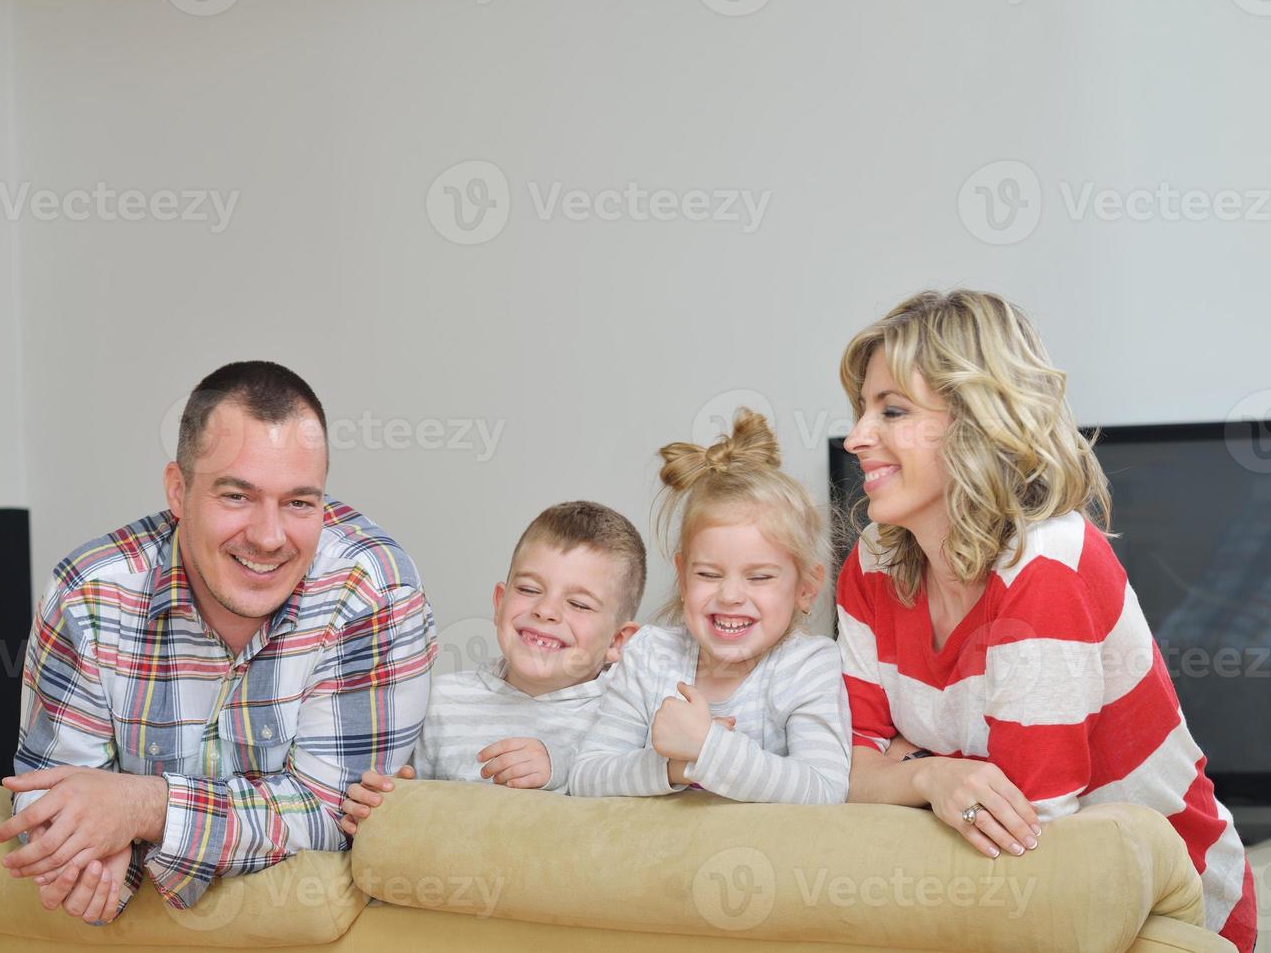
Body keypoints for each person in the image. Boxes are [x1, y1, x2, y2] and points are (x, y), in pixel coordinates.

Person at [835, 290, 1256, 951]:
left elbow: (1030, 826)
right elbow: (836, 767)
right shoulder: (872, 561)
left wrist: (901, 762)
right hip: (991, 882)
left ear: (976, 420)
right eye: (861, 410)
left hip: (1159, 899)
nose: (857, 437)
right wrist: (930, 776)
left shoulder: (1045, 561)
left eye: (891, 410)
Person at [0, 361, 436, 924]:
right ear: (178, 491)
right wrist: (91, 855)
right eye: (237, 496)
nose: (270, 537)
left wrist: (142, 809)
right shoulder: (88, 596)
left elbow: (334, 815)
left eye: (299, 502)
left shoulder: (374, 590)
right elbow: (47, 792)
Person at [567, 409, 852, 803]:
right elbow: (586, 776)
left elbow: (824, 790)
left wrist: (708, 748)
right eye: (709, 575)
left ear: (805, 588)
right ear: (683, 578)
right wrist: (674, 766)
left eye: (759, 577)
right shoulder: (649, 656)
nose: (730, 595)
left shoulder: (807, 666)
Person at [338, 500, 646, 832]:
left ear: (618, 641)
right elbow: (401, 803)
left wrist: (563, 769)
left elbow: (632, 825)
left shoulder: (627, 716)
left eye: (579, 604)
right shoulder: (441, 701)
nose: (546, 610)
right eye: (529, 589)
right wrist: (385, 802)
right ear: (499, 604)